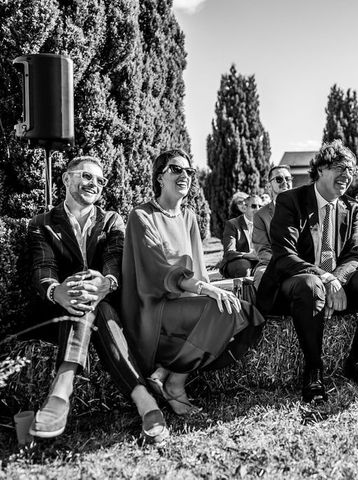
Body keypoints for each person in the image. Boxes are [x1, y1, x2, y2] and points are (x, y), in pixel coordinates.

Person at [26, 156, 168, 442]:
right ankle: (145, 400)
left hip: (106, 309)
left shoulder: (112, 220)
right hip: (58, 315)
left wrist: (106, 283)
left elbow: (115, 259)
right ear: (66, 179)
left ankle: (62, 387)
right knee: (83, 297)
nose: (95, 184)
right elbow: (43, 268)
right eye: (86, 176)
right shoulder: (42, 223)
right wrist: (56, 291)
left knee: (96, 303)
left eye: (100, 180)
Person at [121, 149, 265, 415]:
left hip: (187, 305)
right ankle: (176, 384)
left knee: (247, 313)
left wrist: (218, 287)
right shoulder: (140, 216)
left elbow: (198, 271)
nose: (184, 175)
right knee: (219, 310)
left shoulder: (189, 217)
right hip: (155, 308)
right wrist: (204, 289)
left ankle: (169, 370)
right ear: (159, 177)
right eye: (176, 169)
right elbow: (158, 271)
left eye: (188, 171)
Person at [256, 140, 358, 402]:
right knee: (311, 284)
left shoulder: (352, 207)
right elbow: (284, 255)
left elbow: (356, 253)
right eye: (340, 168)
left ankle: (356, 362)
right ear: (320, 169)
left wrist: (338, 281)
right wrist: (326, 278)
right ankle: (314, 369)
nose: (347, 176)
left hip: (333, 284)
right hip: (295, 287)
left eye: (351, 170)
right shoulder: (291, 200)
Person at [252, 164, 293, 287]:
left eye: (288, 179)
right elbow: (262, 249)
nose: (285, 182)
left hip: (303, 262)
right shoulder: (261, 215)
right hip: (272, 263)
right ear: (269, 186)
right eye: (279, 179)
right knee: (262, 276)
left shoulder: (305, 209)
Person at [218, 194, 263, 278]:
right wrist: (248, 255)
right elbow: (229, 252)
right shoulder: (232, 224)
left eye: (260, 206)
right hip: (240, 261)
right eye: (253, 206)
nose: (257, 209)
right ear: (245, 208)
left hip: (259, 261)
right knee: (243, 267)